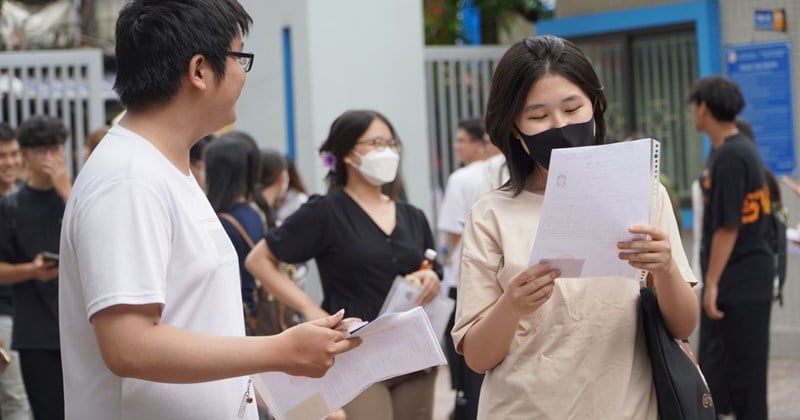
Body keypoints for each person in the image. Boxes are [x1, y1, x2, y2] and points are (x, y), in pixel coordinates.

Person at [57, 2, 360, 419]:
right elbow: (129, 346)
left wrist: (295, 399)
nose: (242, 75)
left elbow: (202, 328)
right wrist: (279, 350)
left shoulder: (164, 168)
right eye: (240, 57)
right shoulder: (128, 180)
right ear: (200, 70)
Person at [450, 35, 698, 419]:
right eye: (538, 116)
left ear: (595, 108)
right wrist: (512, 304)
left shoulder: (644, 197)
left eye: (572, 108)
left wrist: (665, 268)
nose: (560, 126)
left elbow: (683, 324)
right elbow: (478, 358)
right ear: (515, 129)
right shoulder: (491, 215)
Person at [246, 109, 441, 420]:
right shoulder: (326, 211)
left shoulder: (412, 215)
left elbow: (430, 267)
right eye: (376, 142)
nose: (387, 151)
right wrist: (308, 308)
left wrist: (430, 279)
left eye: (392, 144)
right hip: (355, 351)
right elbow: (259, 259)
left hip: (411, 353)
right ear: (348, 154)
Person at [689, 76, 775, 420]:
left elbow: (728, 227)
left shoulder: (730, 156)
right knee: (723, 373)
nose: (693, 113)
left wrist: (711, 284)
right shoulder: (739, 150)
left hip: (739, 279)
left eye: (694, 106)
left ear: (705, 108)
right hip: (744, 277)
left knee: (745, 377)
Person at [0, 115, 71, 420]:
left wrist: (67, 191)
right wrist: (31, 269)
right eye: (41, 150)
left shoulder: (78, 197)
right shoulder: (12, 205)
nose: (49, 158)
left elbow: (105, 242)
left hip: (80, 327)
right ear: (26, 154)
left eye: (55, 149)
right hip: (35, 331)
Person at [438, 117, 488, 420]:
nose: (457, 146)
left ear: (480, 143)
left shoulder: (462, 178)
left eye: (461, 140)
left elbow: (452, 235)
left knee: (464, 350)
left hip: (464, 276)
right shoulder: (511, 173)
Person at [0, 122, 32, 420]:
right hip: (4, 317)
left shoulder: (25, 194)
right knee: (15, 402)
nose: (9, 162)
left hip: (32, 314)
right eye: (2, 156)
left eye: (13, 154)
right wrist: (32, 270)